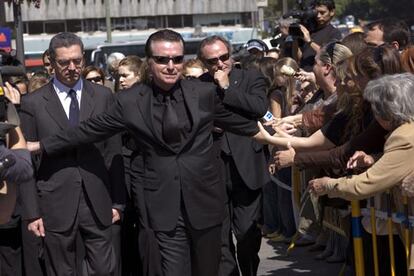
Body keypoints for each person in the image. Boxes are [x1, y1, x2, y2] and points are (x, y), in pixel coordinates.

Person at [26, 29, 263, 276]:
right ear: (149, 62)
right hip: (163, 208)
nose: (171, 66)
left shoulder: (202, 93)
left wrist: (279, 137)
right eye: (162, 60)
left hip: (204, 203)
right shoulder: (129, 101)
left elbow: (239, 122)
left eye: (177, 59)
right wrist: (41, 145)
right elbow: (88, 130)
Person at [19, 32, 125, 276]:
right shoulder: (33, 103)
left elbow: (113, 151)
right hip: (54, 203)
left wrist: (119, 201)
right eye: (64, 62)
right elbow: (26, 161)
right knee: (61, 270)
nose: (72, 68)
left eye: (77, 61)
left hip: (98, 200)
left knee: (104, 269)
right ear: (52, 62)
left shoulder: (102, 96)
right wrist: (32, 212)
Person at [198, 35, 268, 276]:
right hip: (212, 168)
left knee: (247, 234)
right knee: (220, 236)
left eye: (224, 57)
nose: (219, 64)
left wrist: (226, 87)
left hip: (247, 166)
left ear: (232, 55)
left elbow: (260, 108)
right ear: (203, 63)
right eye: (212, 61)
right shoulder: (198, 85)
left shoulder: (251, 78)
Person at [299, 0, 342, 71]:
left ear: (332, 12)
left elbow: (328, 54)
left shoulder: (334, 33)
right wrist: (295, 39)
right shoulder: (309, 31)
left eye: (322, 13)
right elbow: (299, 56)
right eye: (316, 13)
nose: (318, 16)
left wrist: (310, 42)